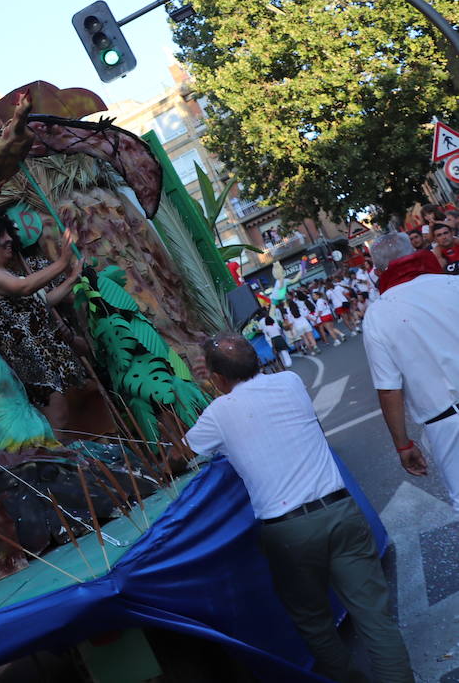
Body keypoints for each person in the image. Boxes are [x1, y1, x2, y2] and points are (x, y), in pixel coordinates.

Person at [183, 333, 413, 683]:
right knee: (375, 620)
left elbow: (177, 456)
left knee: (315, 625)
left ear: (215, 379)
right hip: (340, 511)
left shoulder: (217, 415)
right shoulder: (290, 382)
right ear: (257, 360)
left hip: (287, 531)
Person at [361, 231, 459, 514]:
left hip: (447, 424)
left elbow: (389, 388)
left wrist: (403, 445)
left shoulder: (378, 315)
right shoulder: (453, 284)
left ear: (378, 270)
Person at [0, 211, 86, 431]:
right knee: (57, 415)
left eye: (9, 234)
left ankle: (66, 460)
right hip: (27, 358)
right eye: (2, 235)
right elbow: (25, 287)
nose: (9, 239)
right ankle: (57, 462)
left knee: (62, 414)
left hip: (42, 350)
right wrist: (62, 262)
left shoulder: (6, 273)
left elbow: (45, 301)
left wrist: (73, 276)